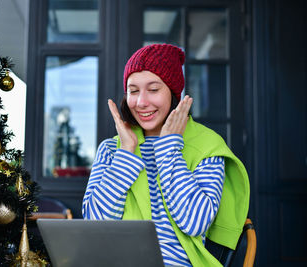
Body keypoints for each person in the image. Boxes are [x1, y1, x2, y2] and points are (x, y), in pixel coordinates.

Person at [82, 44, 249, 267]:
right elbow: (94, 224)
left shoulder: (207, 146)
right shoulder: (111, 149)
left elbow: (194, 223)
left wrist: (169, 149)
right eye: (133, 91)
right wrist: (126, 153)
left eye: (153, 89)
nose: (141, 102)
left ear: (172, 93)